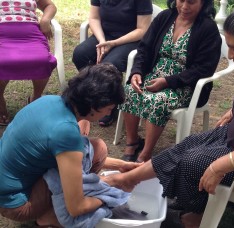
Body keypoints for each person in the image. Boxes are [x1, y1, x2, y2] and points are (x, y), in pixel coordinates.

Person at [102, 1, 234, 227]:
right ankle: (128, 180)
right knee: (187, 145)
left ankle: (193, 217)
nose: (231, 56)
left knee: (193, 162)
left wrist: (220, 166)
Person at [0, 63, 142, 227]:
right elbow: (77, 208)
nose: (110, 113)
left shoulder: (49, 100)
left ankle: (57, 203)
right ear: (94, 105)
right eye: (109, 108)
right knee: (98, 149)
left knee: (89, 135)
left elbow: (70, 158)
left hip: (6, 187)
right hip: (17, 204)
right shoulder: (66, 134)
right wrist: (113, 183)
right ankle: (49, 216)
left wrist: (122, 165)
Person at [119, 0, 222, 162]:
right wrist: (137, 72)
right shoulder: (165, 17)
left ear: (203, 3)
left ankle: (146, 154)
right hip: (154, 76)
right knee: (130, 91)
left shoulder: (208, 29)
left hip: (186, 84)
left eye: (191, 2)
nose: (184, 6)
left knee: (158, 101)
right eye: (181, 0)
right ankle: (132, 142)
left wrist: (168, 81)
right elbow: (144, 48)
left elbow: (203, 69)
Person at [72, 0, 153, 127]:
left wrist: (114, 43)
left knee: (110, 65)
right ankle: (92, 95)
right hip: (104, 35)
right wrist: (102, 40)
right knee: (80, 54)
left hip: (130, 40)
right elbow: (94, 18)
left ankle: (110, 103)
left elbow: (142, 30)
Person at [0, 0, 57, 126]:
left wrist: (45, 20)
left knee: (42, 60)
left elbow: (50, 5)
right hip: (1, 35)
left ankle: (35, 98)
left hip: (30, 34)